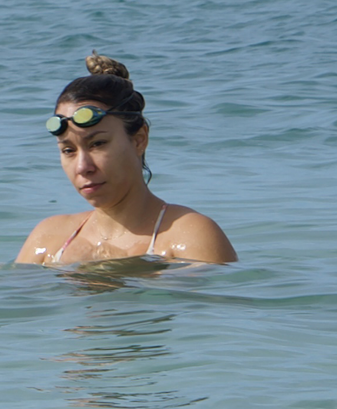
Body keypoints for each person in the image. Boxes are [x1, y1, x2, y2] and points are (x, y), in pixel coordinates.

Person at [14, 54, 235, 265]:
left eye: (98, 144)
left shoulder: (190, 237)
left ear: (139, 139)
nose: (83, 167)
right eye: (68, 150)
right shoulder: (49, 239)